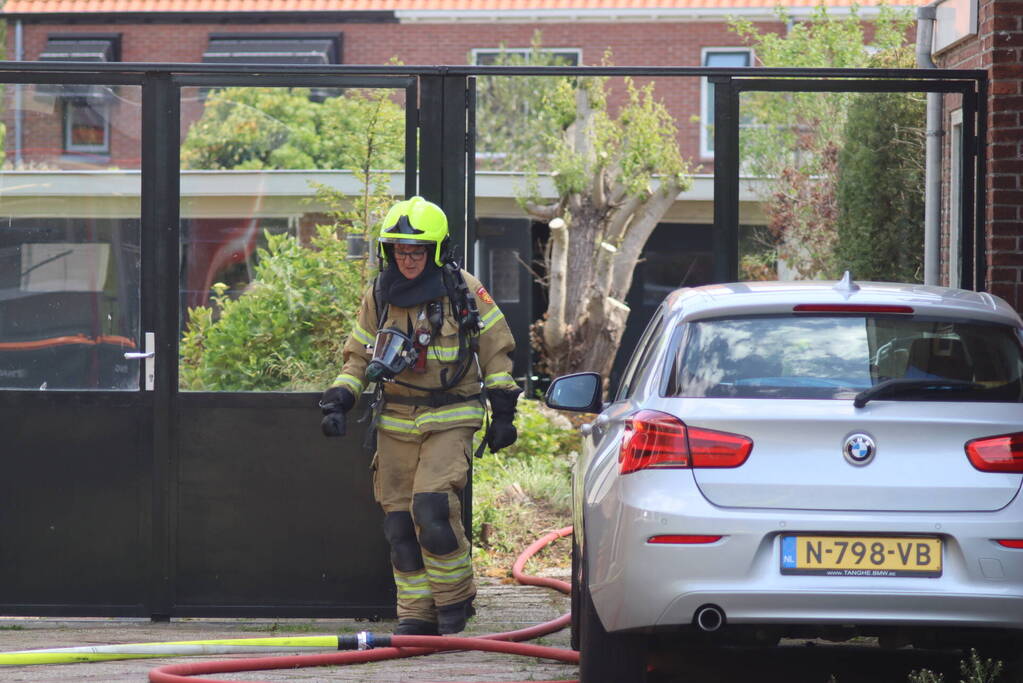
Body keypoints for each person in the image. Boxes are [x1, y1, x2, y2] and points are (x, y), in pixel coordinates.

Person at [319, 196, 520, 637]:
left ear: (436, 250)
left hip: (451, 414)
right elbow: (357, 357)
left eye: (417, 250)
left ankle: (454, 600)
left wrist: (504, 410)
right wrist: (339, 400)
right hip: (395, 420)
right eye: (400, 251)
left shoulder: (464, 290)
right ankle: (416, 612)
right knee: (398, 523)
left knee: (431, 507)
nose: (408, 260)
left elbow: (497, 352)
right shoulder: (378, 294)